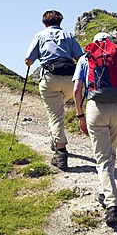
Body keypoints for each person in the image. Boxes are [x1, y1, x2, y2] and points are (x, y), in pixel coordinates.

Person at [72, 32, 117, 226]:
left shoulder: (85, 58)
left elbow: (76, 90)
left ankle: (112, 203)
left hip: (96, 109)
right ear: (108, 43)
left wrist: (80, 115)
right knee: (110, 153)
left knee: (102, 158)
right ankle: (105, 189)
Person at [24, 11, 84, 170]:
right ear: (60, 22)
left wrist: (32, 60)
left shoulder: (40, 36)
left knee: (55, 115)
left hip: (50, 78)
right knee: (57, 112)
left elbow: (28, 60)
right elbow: (80, 57)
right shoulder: (68, 36)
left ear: (44, 22)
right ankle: (55, 139)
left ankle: (61, 152)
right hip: (70, 80)